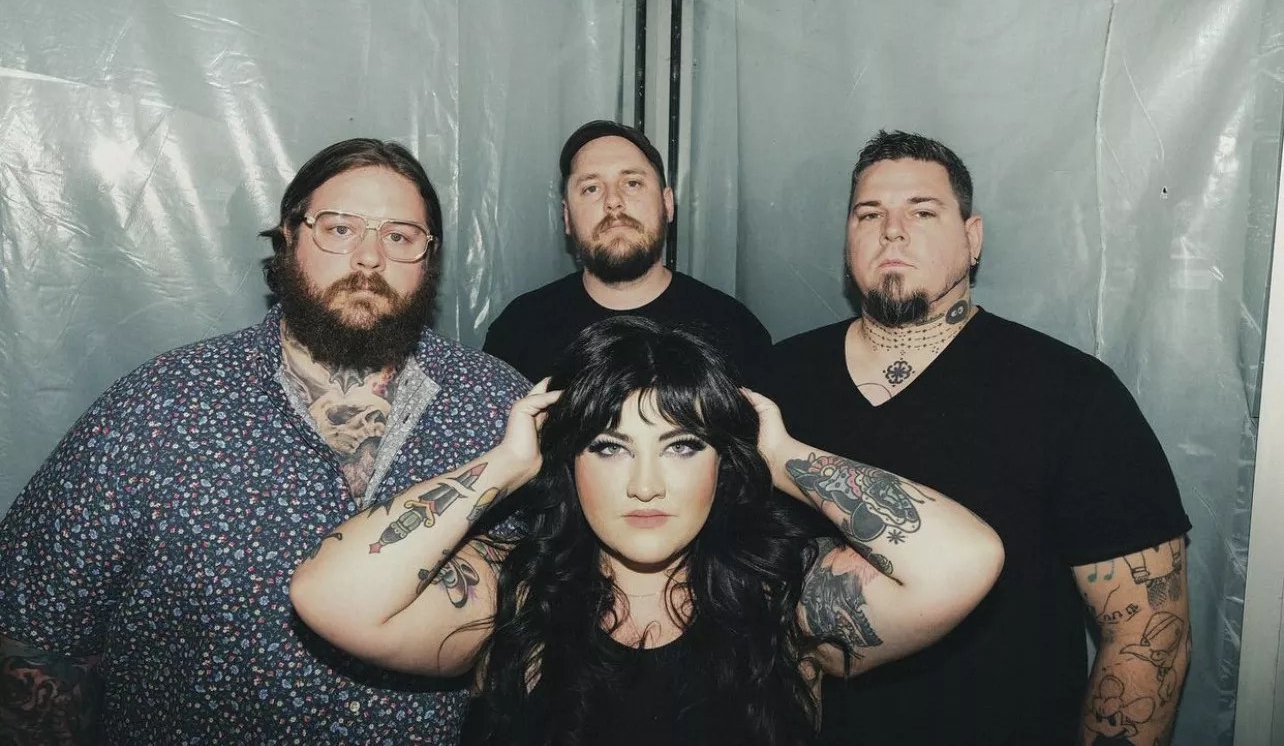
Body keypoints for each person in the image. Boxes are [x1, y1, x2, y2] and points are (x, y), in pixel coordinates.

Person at [0, 139, 529, 745]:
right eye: (339, 228)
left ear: (428, 260)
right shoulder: (161, 407)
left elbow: (554, 607)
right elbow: (32, 634)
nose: (369, 257)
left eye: (401, 236)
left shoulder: (493, 405)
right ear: (289, 239)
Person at [290, 316, 1005, 745]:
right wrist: (503, 466)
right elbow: (331, 598)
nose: (645, 484)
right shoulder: (514, 592)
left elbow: (965, 559)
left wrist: (785, 456)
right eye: (609, 446)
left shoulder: (784, 597)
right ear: (568, 461)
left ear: (723, 460)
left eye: (682, 446)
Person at [767, 130, 1192, 746]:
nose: (892, 231)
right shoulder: (774, 381)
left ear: (973, 239)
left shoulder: (1070, 393)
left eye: (923, 211)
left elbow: (1148, 637)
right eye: (869, 214)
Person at [483, 120, 771, 382]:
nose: (613, 201)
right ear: (567, 217)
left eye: (632, 183)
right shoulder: (518, 331)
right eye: (591, 188)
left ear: (667, 204)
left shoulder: (735, 331)